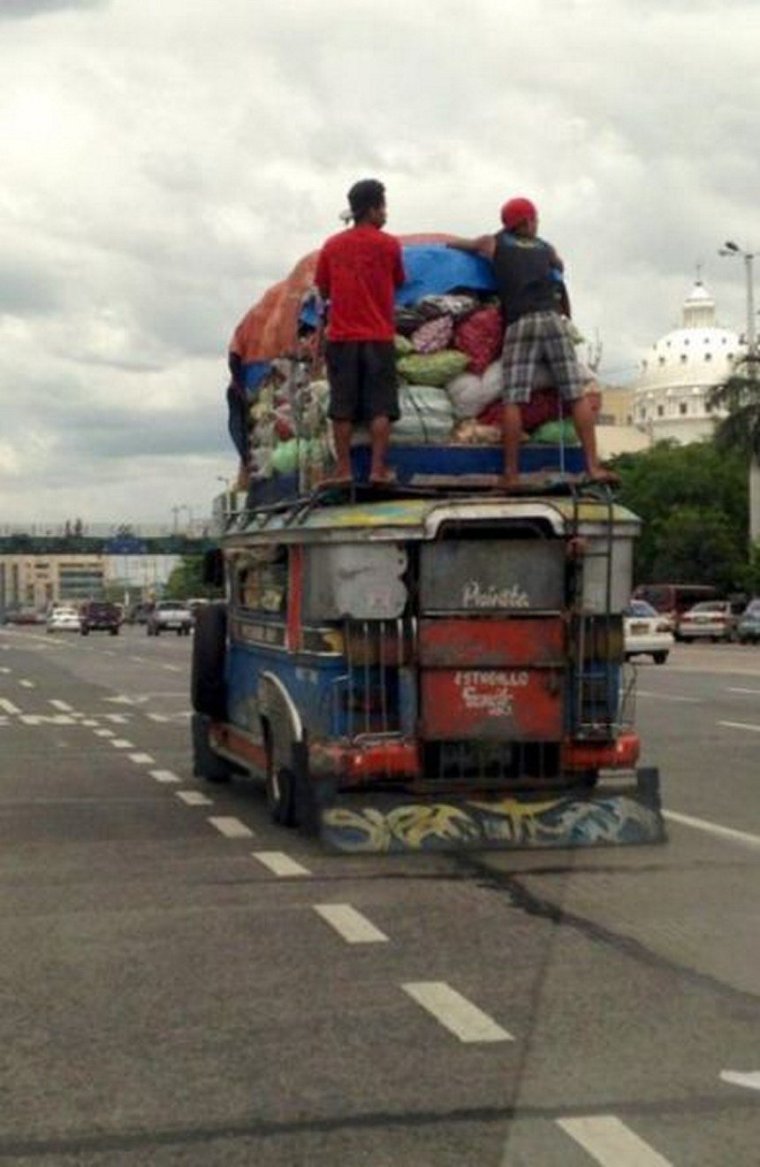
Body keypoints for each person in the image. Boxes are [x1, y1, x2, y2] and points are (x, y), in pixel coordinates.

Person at [448, 197, 617, 486]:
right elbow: (559, 265)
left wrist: (453, 245)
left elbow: (463, 245)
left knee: (513, 399)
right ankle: (593, 468)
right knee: (575, 394)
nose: (537, 224)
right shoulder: (545, 247)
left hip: (520, 323)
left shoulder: (494, 243)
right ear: (526, 222)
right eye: (535, 219)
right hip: (552, 320)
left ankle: (511, 476)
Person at [314, 178, 406, 485]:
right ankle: (378, 470)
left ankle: (344, 470)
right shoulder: (390, 245)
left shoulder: (332, 246)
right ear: (372, 209)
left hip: (341, 338)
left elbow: (323, 287)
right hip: (379, 338)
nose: (386, 213)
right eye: (383, 206)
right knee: (380, 407)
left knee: (342, 410)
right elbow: (398, 281)